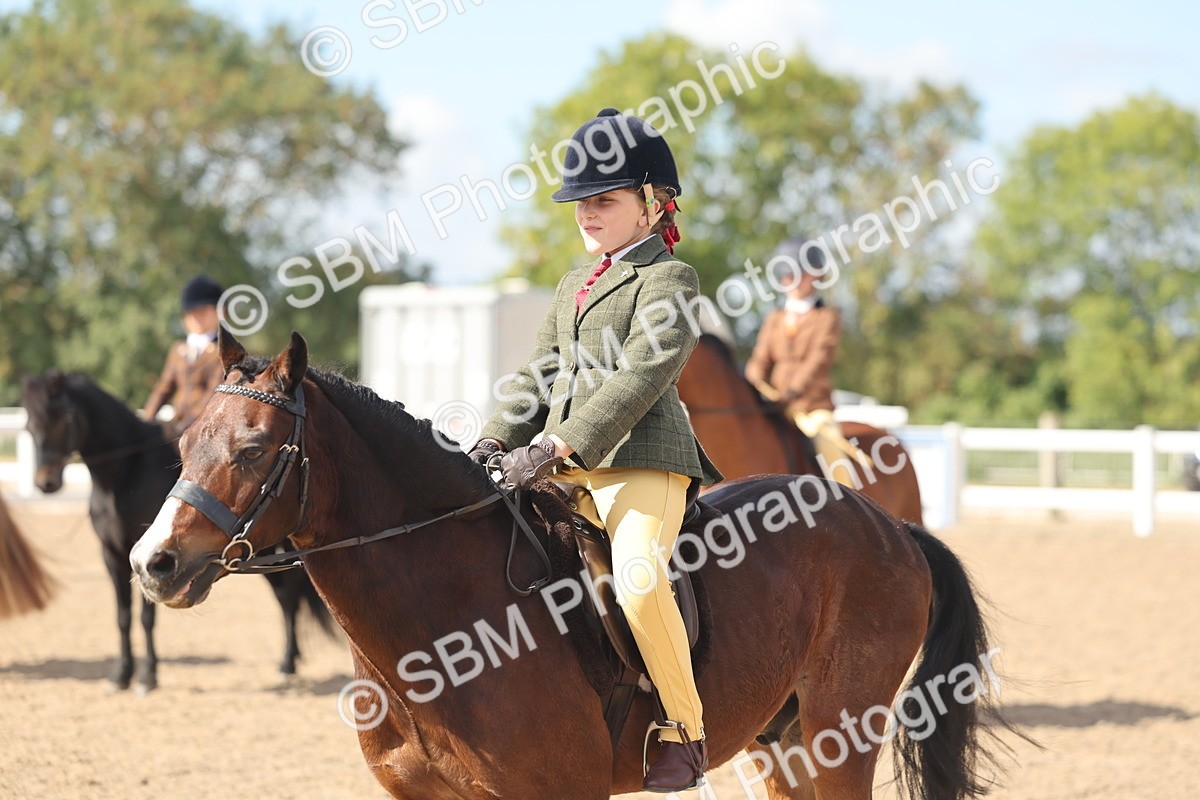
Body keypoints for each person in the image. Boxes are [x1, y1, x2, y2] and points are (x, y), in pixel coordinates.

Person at [469, 108, 722, 792]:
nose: (587, 214)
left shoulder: (669, 280)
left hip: (640, 463)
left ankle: (685, 728)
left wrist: (556, 443)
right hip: (563, 468)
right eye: (581, 203)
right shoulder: (572, 285)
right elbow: (540, 372)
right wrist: (494, 437)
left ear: (652, 204)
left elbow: (640, 374)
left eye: (603, 200)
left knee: (639, 581)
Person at [745, 240, 870, 486]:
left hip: (812, 410)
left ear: (815, 275)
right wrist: (751, 386)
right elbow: (759, 360)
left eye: (793, 274)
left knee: (831, 454)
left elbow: (817, 362)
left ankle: (845, 505)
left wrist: (789, 395)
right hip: (775, 408)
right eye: (784, 275)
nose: (787, 280)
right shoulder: (774, 318)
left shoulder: (827, 318)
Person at [142, 275, 226, 440]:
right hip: (175, 425)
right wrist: (146, 420)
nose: (197, 318)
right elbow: (163, 388)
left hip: (206, 429)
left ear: (219, 312)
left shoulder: (222, 351)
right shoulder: (178, 350)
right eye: (192, 313)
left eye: (204, 311)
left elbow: (213, 393)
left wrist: (187, 425)